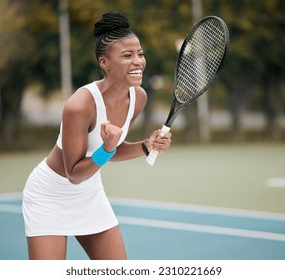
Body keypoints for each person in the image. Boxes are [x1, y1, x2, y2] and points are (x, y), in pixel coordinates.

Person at [22, 11, 172, 260]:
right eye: (127, 55)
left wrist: (146, 145)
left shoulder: (138, 97)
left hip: (90, 194)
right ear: (104, 63)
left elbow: (114, 149)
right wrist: (108, 148)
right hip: (50, 195)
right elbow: (74, 173)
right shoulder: (80, 105)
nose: (138, 61)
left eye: (140, 54)